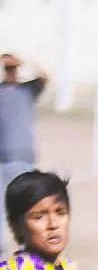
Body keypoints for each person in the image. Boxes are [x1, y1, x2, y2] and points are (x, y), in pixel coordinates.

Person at [0, 55, 47, 195]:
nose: (11, 72)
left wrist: (24, 61)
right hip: (3, 157)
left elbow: (45, 76)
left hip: (24, 156)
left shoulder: (28, 90)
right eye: (8, 69)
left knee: (22, 202)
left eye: (13, 69)